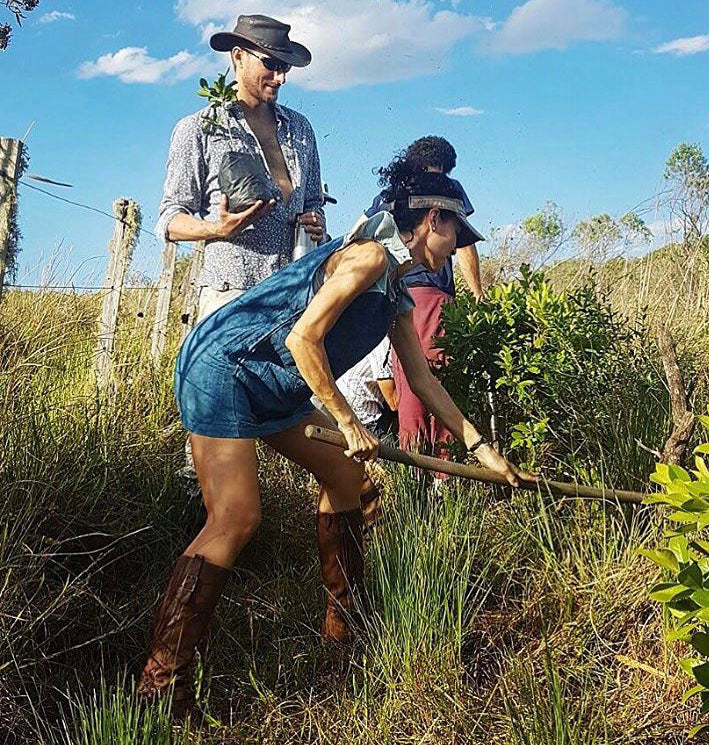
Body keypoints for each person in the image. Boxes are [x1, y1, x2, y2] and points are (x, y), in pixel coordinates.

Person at [136, 155, 533, 719]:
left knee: (347, 478)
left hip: (272, 384)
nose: (456, 247)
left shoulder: (395, 290)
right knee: (236, 516)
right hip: (225, 368)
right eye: (454, 232)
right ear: (429, 222)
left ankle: (340, 635)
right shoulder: (368, 257)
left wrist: (483, 450)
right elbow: (304, 338)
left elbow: (421, 379)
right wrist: (347, 421)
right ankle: (160, 686)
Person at [155, 14, 326, 323]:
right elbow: (169, 218)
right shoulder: (199, 129)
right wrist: (217, 229)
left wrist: (315, 221)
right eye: (271, 65)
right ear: (238, 56)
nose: (281, 78)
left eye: (284, 67)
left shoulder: (300, 129)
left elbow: (313, 200)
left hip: (294, 296)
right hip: (231, 298)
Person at [365, 136, 482, 462]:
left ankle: (417, 471)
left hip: (398, 293)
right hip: (424, 293)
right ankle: (436, 473)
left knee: (416, 378)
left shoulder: (389, 195)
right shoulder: (446, 193)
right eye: (438, 171)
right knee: (431, 376)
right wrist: (476, 293)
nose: (440, 178)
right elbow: (465, 246)